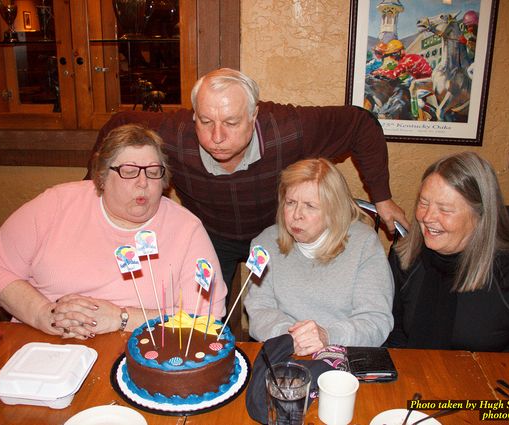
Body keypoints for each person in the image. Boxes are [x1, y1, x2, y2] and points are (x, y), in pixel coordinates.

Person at [90, 68, 408, 306]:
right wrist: (92, 195)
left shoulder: (289, 128)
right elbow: (116, 127)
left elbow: (360, 123)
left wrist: (382, 197)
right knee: (204, 320)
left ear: (254, 115)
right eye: (205, 121)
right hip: (211, 234)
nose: (216, 137)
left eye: (231, 122)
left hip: (278, 233)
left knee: (285, 311)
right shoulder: (173, 132)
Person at [0, 124, 227, 340]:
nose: (143, 183)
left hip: (140, 354)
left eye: (153, 172)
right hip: (42, 344)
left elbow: (206, 320)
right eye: (129, 171)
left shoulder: (186, 230)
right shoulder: (56, 204)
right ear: (102, 176)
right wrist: (44, 314)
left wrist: (122, 318)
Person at [385, 152, 509, 353]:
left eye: (445, 209)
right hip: (422, 377)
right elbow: (396, 335)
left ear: (480, 215)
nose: (427, 217)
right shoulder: (405, 257)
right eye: (423, 203)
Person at [243, 158, 394, 356]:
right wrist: (290, 338)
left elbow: (375, 319)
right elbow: (259, 310)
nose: (297, 215)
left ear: (334, 209)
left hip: (345, 353)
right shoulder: (264, 245)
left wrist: (327, 336)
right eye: (290, 203)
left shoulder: (364, 244)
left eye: (310, 206)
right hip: (283, 352)